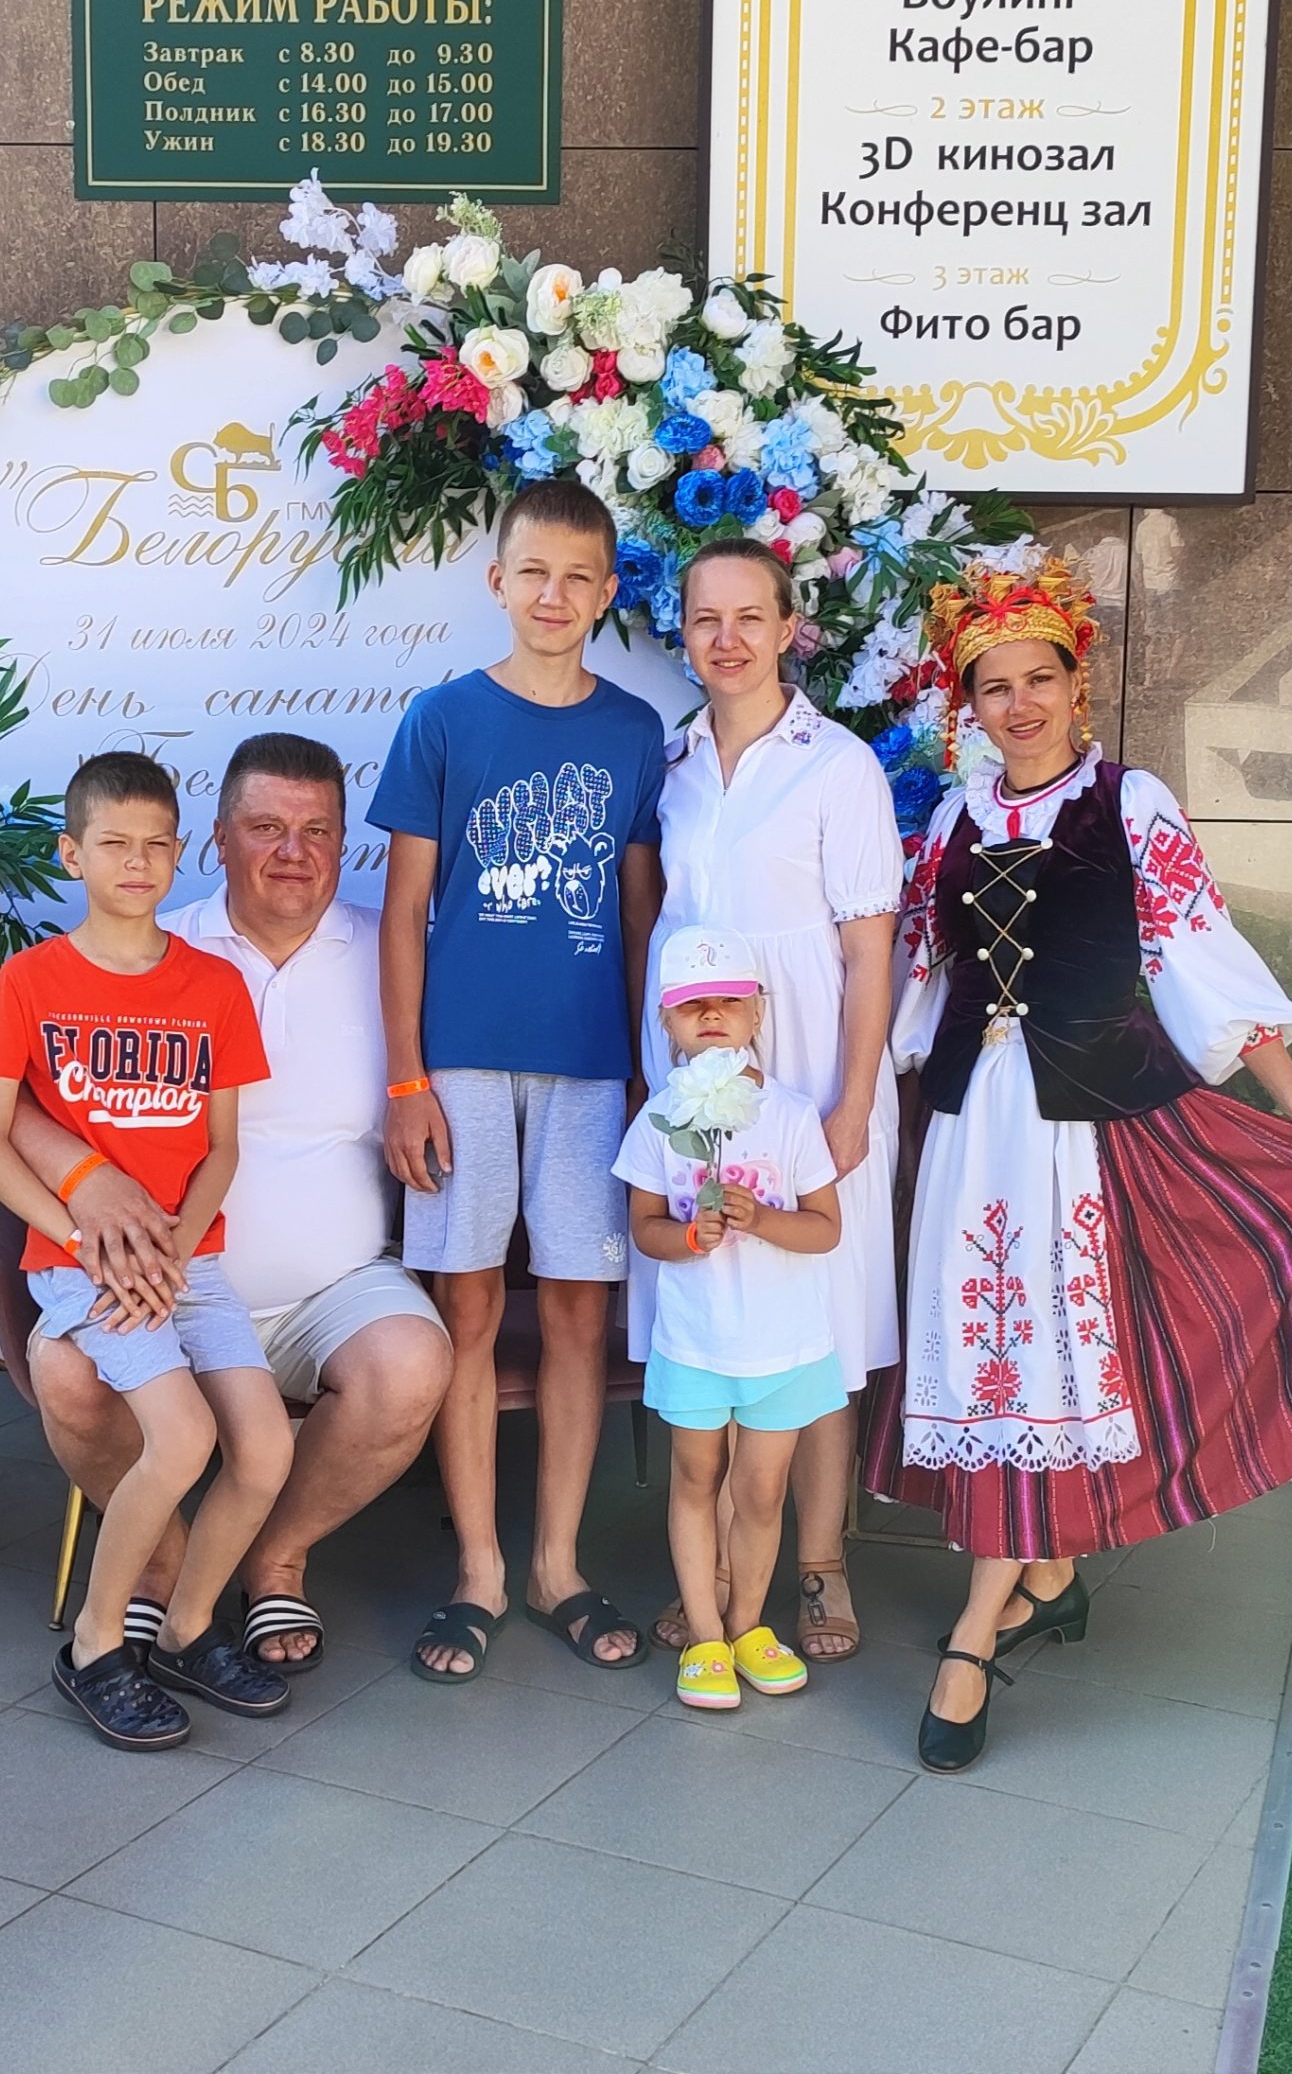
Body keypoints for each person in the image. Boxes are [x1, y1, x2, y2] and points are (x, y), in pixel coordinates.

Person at [862, 553, 1292, 1773]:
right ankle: (1048, 1573)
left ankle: (973, 1631)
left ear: (1077, 683)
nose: (1018, 703)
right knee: (992, 1346)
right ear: (968, 703)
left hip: (1089, 1129)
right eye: (993, 685)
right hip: (971, 1131)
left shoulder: (1130, 802)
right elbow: (911, 978)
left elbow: (1197, 950)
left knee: (1051, 1350)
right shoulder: (951, 823)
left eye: (1038, 678)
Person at [0, 734, 453, 1674]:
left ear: (346, 840)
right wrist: (87, 1181)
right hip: (149, 1280)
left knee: (412, 1364)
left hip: (330, 1285)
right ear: (218, 841)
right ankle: (165, 1569)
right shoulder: (154, 941)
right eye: (265, 827)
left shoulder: (394, 951)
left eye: (318, 830)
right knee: (71, 1378)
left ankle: (274, 1560)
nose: (293, 851)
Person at [370, 476, 667, 1682]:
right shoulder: (442, 718)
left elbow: (640, 914)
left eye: (577, 577)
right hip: (460, 1061)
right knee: (470, 1307)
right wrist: (405, 1080)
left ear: (606, 593)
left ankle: (556, 1563)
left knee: (581, 1312)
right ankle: (479, 1568)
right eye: (533, 571)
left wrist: (647, 1072)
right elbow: (403, 912)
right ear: (497, 580)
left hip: (592, 1064)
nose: (553, 594)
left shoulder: (634, 730)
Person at [0, 751, 294, 1751]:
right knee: (181, 1438)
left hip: (189, 1263)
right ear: (73, 855)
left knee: (265, 1446)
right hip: (80, 1269)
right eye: (114, 844)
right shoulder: (31, 980)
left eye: (156, 845)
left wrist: (175, 1248)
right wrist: (83, 1240)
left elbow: (222, 1146)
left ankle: (186, 1627)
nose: (137, 862)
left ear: (182, 853)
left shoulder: (214, 984)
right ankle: (97, 1644)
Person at [637, 538, 903, 1665]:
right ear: (683, 630)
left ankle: (818, 1560)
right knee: (714, 1297)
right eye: (707, 618)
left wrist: (850, 1104)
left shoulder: (838, 764)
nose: (728, 638)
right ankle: (715, 1578)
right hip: (698, 1067)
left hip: (813, 1066)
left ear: (791, 627)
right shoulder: (673, 765)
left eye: (752, 616)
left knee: (815, 1326)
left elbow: (871, 947)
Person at [619, 926, 844, 1709]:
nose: (711, 1015)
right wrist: (690, 1237)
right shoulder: (658, 1121)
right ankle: (706, 1633)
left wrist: (763, 1218)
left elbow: (825, 1227)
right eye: (692, 1006)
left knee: (762, 1489)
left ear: (757, 1013)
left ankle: (748, 1624)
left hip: (783, 1342)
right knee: (695, 1477)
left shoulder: (791, 1115)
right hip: (696, 1341)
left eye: (728, 1001)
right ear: (667, 1022)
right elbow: (644, 1227)